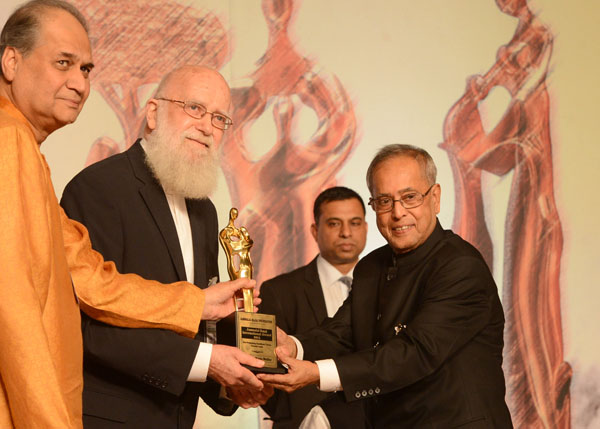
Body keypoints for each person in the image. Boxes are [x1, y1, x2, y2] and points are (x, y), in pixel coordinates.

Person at [0, 2, 261, 428]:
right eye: (62, 63)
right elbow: (18, 320)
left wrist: (202, 306)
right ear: (11, 60)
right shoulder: (13, 142)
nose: (79, 83)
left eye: (85, 69)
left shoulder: (26, 150)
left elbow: (92, 282)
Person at [60, 65, 271, 427]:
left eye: (220, 118)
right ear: (154, 112)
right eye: (194, 108)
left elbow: (198, 321)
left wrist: (234, 379)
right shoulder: (99, 187)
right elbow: (88, 327)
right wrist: (207, 362)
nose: (207, 126)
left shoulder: (204, 210)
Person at [260, 144, 513, 428]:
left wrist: (317, 372)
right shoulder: (371, 266)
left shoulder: (460, 266)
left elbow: (413, 353)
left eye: (410, 197)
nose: (398, 213)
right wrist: (294, 347)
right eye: (384, 201)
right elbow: (344, 332)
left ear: (436, 198)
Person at [259, 186, 368, 428]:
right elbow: (268, 368)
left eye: (355, 222)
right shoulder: (279, 291)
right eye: (334, 224)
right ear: (315, 230)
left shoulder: (387, 286)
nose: (346, 233)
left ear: (366, 227)